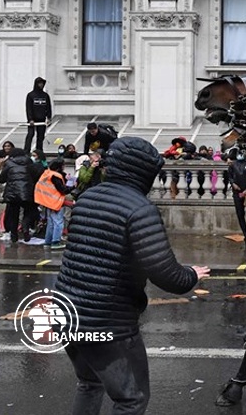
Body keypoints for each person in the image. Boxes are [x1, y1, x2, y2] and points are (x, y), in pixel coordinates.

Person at [54, 137, 210, 415]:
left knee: (89, 383)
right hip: (106, 324)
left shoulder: (88, 197)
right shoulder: (139, 210)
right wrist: (191, 276)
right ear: (144, 172)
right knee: (131, 399)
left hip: (66, 315)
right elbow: (166, 274)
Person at [0, 148, 36, 243]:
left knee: (13, 214)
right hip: (27, 191)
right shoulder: (29, 161)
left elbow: (1, 179)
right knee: (28, 211)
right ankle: (25, 228)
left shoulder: (9, 163)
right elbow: (34, 175)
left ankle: (14, 235)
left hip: (13, 192)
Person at [35, 159, 73, 250]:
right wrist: (73, 186)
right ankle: (56, 242)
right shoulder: (55, 176)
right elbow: (63, 190)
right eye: (63, 166)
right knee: (58, 223)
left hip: (47, 201)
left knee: (51, 223)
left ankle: (48, 242)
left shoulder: (47, 173)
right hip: (55, 203)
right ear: (59, 167)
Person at [227, 150, 246, 247]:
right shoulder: (233, 165)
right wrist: (233, 184)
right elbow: (230, 177)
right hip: (237, 193)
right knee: (240, 214)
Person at [24, 77, 52, 152]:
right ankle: (26, 151)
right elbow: (28, 108)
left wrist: (49, 118)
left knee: (40, 136)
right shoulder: (30, 95)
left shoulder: (45, 95)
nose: (41, 85)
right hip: (32, 120)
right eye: (39, 83)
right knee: (30, 135)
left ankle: (39, 151)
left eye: (42, 83)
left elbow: (48, 107)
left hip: (42, 119)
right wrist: (30, 119)